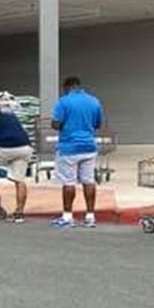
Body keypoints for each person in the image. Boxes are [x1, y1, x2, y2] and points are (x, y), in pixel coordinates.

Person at [49, 77, 104, 228]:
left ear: (67, 87)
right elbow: (98, 123)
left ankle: (67, 216)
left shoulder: (64, 101)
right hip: (89, 146)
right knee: (89, 180)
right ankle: (90, 216)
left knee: (69, 182)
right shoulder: (94, 101)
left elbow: (56, 124)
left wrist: (58, 124)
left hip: (69, 147)